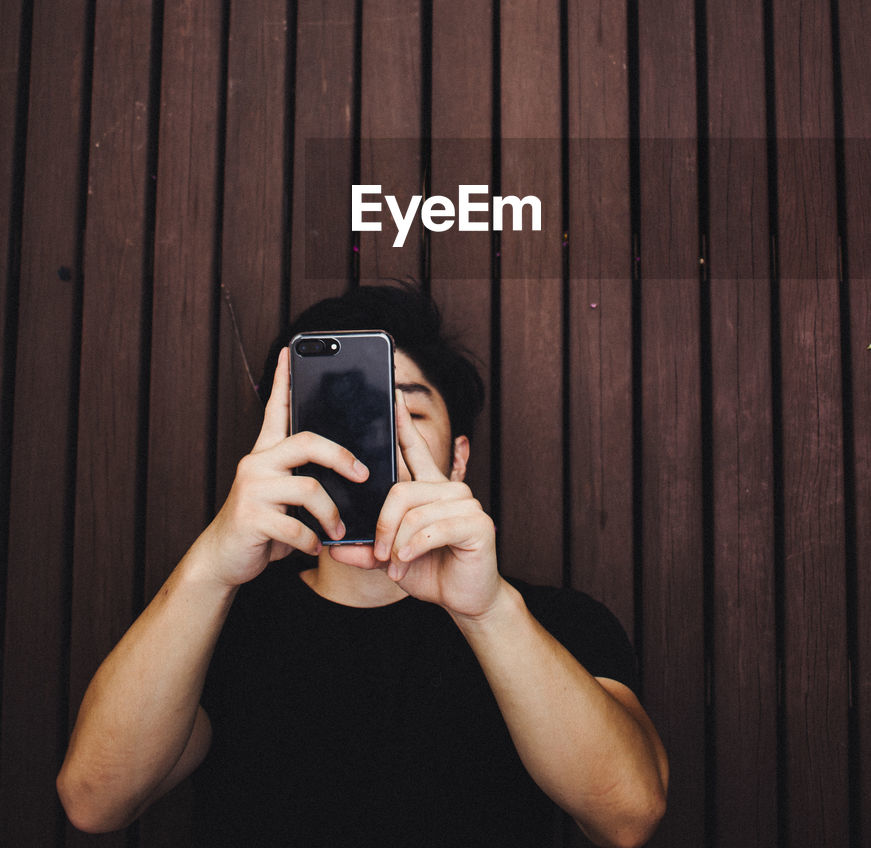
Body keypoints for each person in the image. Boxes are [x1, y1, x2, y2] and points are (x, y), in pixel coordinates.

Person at [57, 283, 668, 846]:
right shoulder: (221, 622)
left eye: (407, 412)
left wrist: (488, 613)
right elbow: (94, 802)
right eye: (338, 413)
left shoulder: (556, 621)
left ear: (458, 460)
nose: (370, 436)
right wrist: (211, 566)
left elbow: (628, 815)